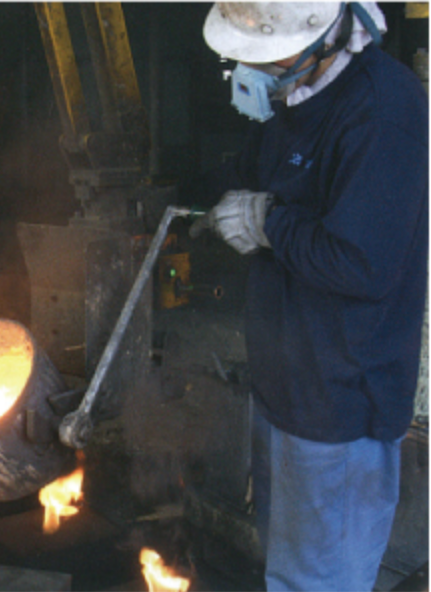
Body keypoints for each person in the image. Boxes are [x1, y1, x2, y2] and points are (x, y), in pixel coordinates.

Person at [191, 3, 428, 591]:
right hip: (288, 389)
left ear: (326, 36)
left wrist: (270, 221)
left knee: (316, 581)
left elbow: (362, 263)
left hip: (341, 404)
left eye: (270, 59)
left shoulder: (381, 110)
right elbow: (252, 167)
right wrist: (186, 200)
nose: (259, 73)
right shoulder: (295, 97)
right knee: (289, 566)